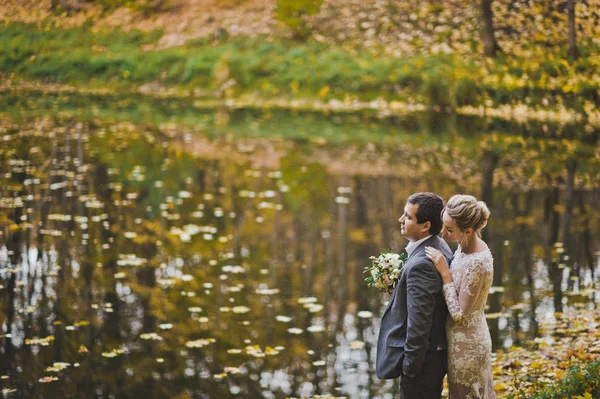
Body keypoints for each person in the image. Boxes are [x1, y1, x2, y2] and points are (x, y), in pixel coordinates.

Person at [376, 192, 453, 399]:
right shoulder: (437, 244)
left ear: (425, 225)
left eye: (408, 217)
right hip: (428, 359)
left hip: (422, 364)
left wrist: (410, 367)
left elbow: (420, 323)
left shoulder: (423, 265)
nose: (401, 220)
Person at [425, 194, 496, 398]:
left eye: (449, 229)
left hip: (467, 348)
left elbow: (459, 314)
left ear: (469, 230)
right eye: (444, 225)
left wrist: (445, 273)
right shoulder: (466, 245)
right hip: (460, 340)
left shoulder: (477, 263)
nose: (443, 233)